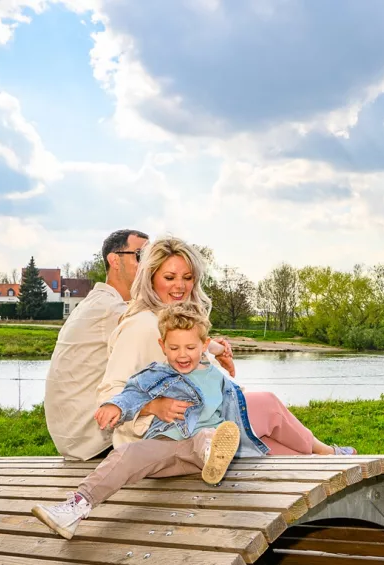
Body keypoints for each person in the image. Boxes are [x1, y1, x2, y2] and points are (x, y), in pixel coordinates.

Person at [97, 236, 354, 456]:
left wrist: (217, 350)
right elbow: (108, 395)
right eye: (170, 277)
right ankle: (329, 452)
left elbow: (187, 358)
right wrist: (154, 406)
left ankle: (324, 460)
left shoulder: (173, 322)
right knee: (267, 404)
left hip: (201, 429)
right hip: (162, 438)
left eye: (187, 277)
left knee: (286, 453)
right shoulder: (141, 325)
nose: (180, 286)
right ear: (151, 278)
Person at [32, 303, 261, 538]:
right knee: (125, 454)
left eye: (190, 347)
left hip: (199, 447)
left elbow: (236, 410)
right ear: (162, 346)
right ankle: (75, 509)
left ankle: (214, 456)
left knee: (208, 435)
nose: (182, 354)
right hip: (166, 446)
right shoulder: (157, 375)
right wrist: (116, 406)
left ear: (204, 346)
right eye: (174, 347)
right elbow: (132, 394)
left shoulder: (218, 378)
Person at [44, 229, 150, 461]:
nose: (150, 264)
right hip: (93, 441)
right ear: (115, 260)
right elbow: (165, 341)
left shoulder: (99, 302)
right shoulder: (111, 309)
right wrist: (211, 348)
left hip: (74, 436)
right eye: (141, 255)